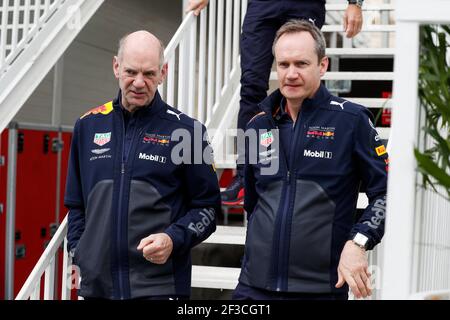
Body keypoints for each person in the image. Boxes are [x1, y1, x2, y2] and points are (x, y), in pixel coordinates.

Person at [233, 20, 388, 300]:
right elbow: (253, 201)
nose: (290, 74)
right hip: (253, 287)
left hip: (319, 290)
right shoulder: (258, 125)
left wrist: (358, 242)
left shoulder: (351, 121)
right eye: (283, 64)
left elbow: (385, 193)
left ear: (323, 65)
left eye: (301, 64)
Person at [64, 31, 221, 300]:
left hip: (160, 288)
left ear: (163, 73)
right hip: (97, 288)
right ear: (116, 67)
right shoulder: (87, 126)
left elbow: (207, 208)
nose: (138, 83)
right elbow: (76, 204)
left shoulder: (190, 132)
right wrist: (81, 251)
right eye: (130, 72)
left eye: (149, 74)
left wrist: (173, 239)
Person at [187, 0, 364, 205]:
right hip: (262, 5)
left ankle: (303, 172)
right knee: (251, 87)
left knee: (302, 83)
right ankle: (246, 176)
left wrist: (355, 4)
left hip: (303, 6)